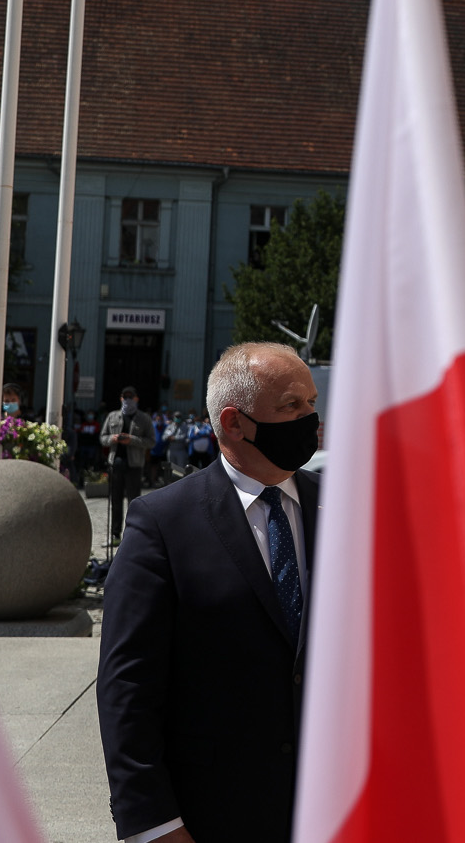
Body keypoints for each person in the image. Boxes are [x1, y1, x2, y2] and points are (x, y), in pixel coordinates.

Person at [98, 342, 323, 843]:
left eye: (311, 403)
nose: (310, 420)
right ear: (234, 422)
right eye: (291, 405)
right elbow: (128, 687)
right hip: (215, 817)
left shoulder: (345, 507)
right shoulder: (162, 523)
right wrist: (155, 825)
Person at [101, 389, 155, 546]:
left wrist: (131, 440)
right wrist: (113, 438)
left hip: (134, 464)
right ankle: (115, 534)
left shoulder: (143, 418)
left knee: (134, 502)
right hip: (116, 463)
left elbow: (151, 441)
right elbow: (103, 438)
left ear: (137, 399)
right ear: (121, 398)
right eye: (125, 397)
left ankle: (133, 535)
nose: (128, 400)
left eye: (131, 397)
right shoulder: (113, 416)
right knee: (115, 501)